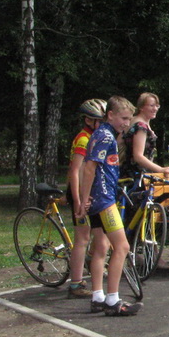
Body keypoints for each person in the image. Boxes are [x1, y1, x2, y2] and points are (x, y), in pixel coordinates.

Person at [75, 95, 143, 316]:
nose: (126, 123)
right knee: (122, 247)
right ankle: (112, 300)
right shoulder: (105, 136)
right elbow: (89, 167)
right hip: (103, 199)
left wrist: (86, 198)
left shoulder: (101, 134)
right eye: (123, 118)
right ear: (110, 115)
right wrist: (84, 198)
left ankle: (97, 297)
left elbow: (89, 167)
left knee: (101, 247)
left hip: (99, 198)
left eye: (129, 119)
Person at [64, 99, 107, 299]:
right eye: (100, 121)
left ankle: (91, 261)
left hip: (91, 193)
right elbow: (75, 171)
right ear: (89, 120)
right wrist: (77, 200)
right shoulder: (83, 139)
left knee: (99, 237)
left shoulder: (95, 137)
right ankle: (75, 283)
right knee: (82, 238)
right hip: (80, 193)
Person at [120, 92, 169, 183]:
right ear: (141, 107)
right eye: (151, 105)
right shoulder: (141, 126)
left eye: (157, 105)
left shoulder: (134, 121)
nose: (155, 109)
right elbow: (138, 156)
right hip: (136, 176)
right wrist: (161, 169)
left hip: (129, 172)